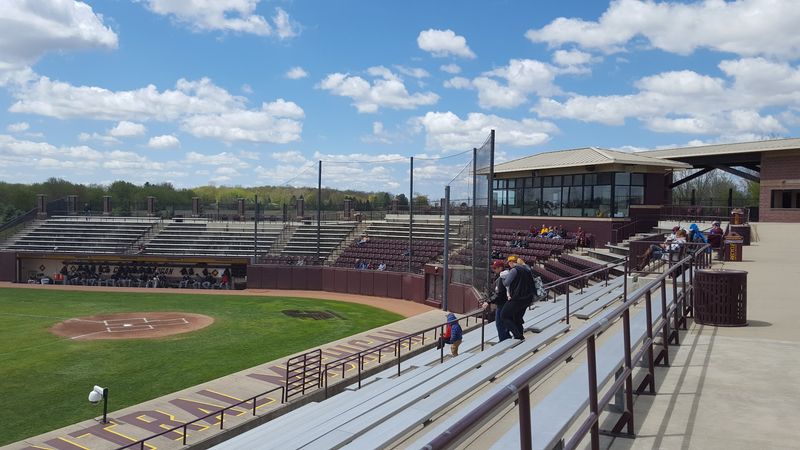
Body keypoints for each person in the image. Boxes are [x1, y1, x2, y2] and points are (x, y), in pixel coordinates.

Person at [501, 255, 536, 340]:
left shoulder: (514, 270)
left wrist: (502, 278)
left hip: (518, 298)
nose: (509, 265)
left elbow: (506, 283)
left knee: (504, 316)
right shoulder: (527, 269)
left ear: (511, 262)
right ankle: (519, 337)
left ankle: (518, 336)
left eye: (509, 263)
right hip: (527, 298)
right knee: (517, 318)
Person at [482, 260, 511, 341]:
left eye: (495, 268)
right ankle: (507, 338)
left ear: (501, 268)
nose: (494, 269)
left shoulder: (502, 277)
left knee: (500, 323)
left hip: (502, 304)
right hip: (505, 303)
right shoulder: (504, 275)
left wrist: (488, 301)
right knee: (504, 322)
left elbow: (498, 294)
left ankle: (504, 340)